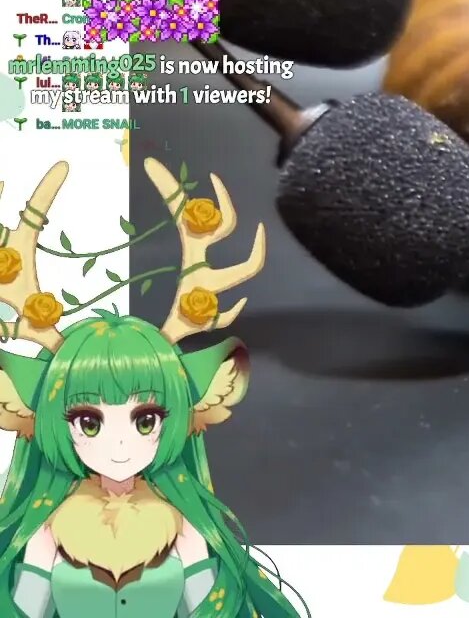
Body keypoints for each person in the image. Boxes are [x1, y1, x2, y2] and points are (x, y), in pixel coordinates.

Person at [0, 159, 307, 618]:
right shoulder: (46, 532)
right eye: (89, 420)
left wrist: (198, 557)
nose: (120, 443)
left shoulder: (185, 529)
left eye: (145, 420)